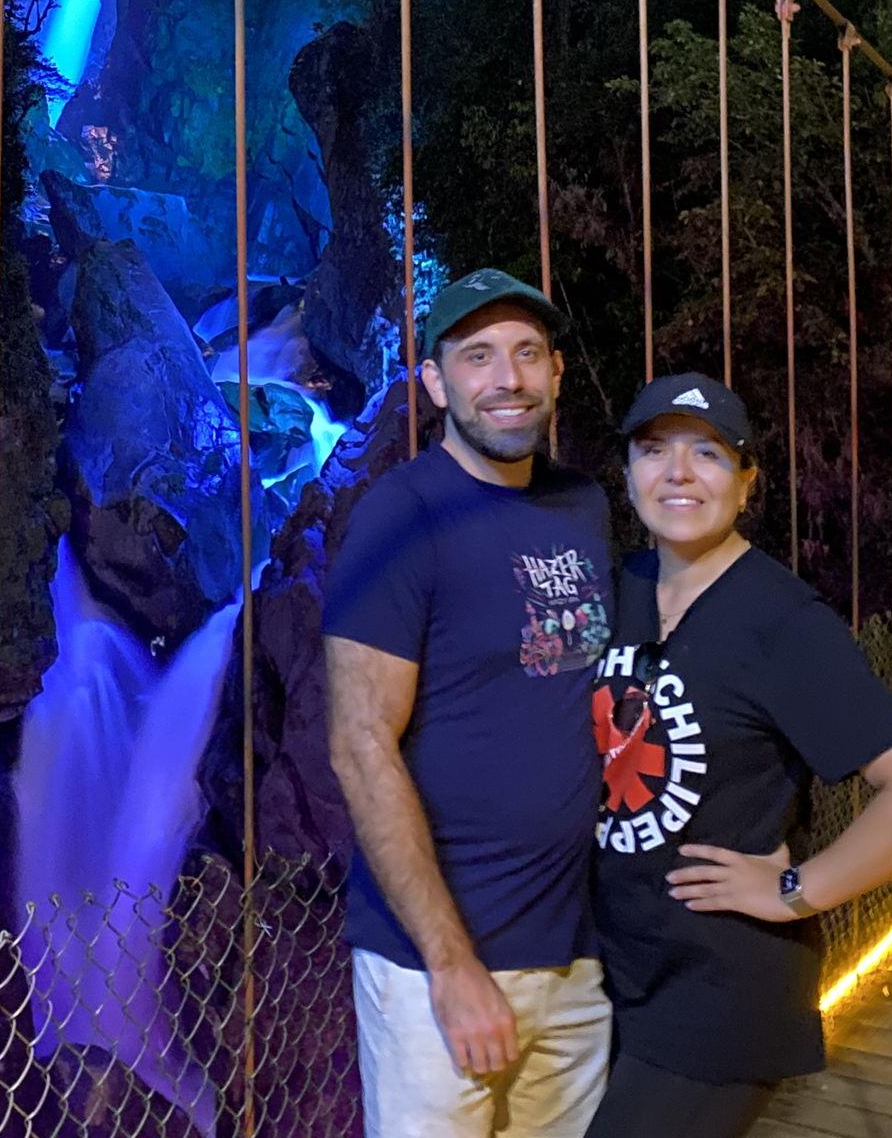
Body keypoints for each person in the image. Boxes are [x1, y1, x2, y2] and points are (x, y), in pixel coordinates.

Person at [587, 373, 892, 1138]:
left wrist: (794, 888)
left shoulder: (783, 623)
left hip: (720, 990)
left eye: (710, 454)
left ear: (747, 481)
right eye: (655, 451)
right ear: (628, 474)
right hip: (611, 969)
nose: (679, 473)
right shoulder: (619, 588)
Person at [325, 269, 615, 1138]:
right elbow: (359, 742)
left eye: (528, 354)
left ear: (557, 373)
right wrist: (451, 965)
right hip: (434, 971)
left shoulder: (584, 506)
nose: (508, 379)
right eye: (478, 357)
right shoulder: (400, 516)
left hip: (572, 957)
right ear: (436, 383)